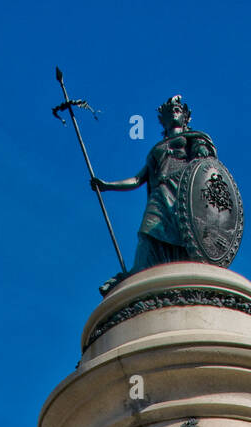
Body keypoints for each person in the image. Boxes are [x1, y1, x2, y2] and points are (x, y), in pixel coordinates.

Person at [91, 95, 216, 287]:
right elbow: (137, 179)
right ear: (163, 120)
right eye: (170, 112)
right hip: (160, 193)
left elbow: (205, 167)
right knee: (147, 234)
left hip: (184, 193)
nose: (174, 114)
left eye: (178, 111)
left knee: (188, 238)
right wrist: (107, 185)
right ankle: (136, 275)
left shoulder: (193, 138)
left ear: (185, 117)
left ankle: (188, 277)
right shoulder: (157, 149)